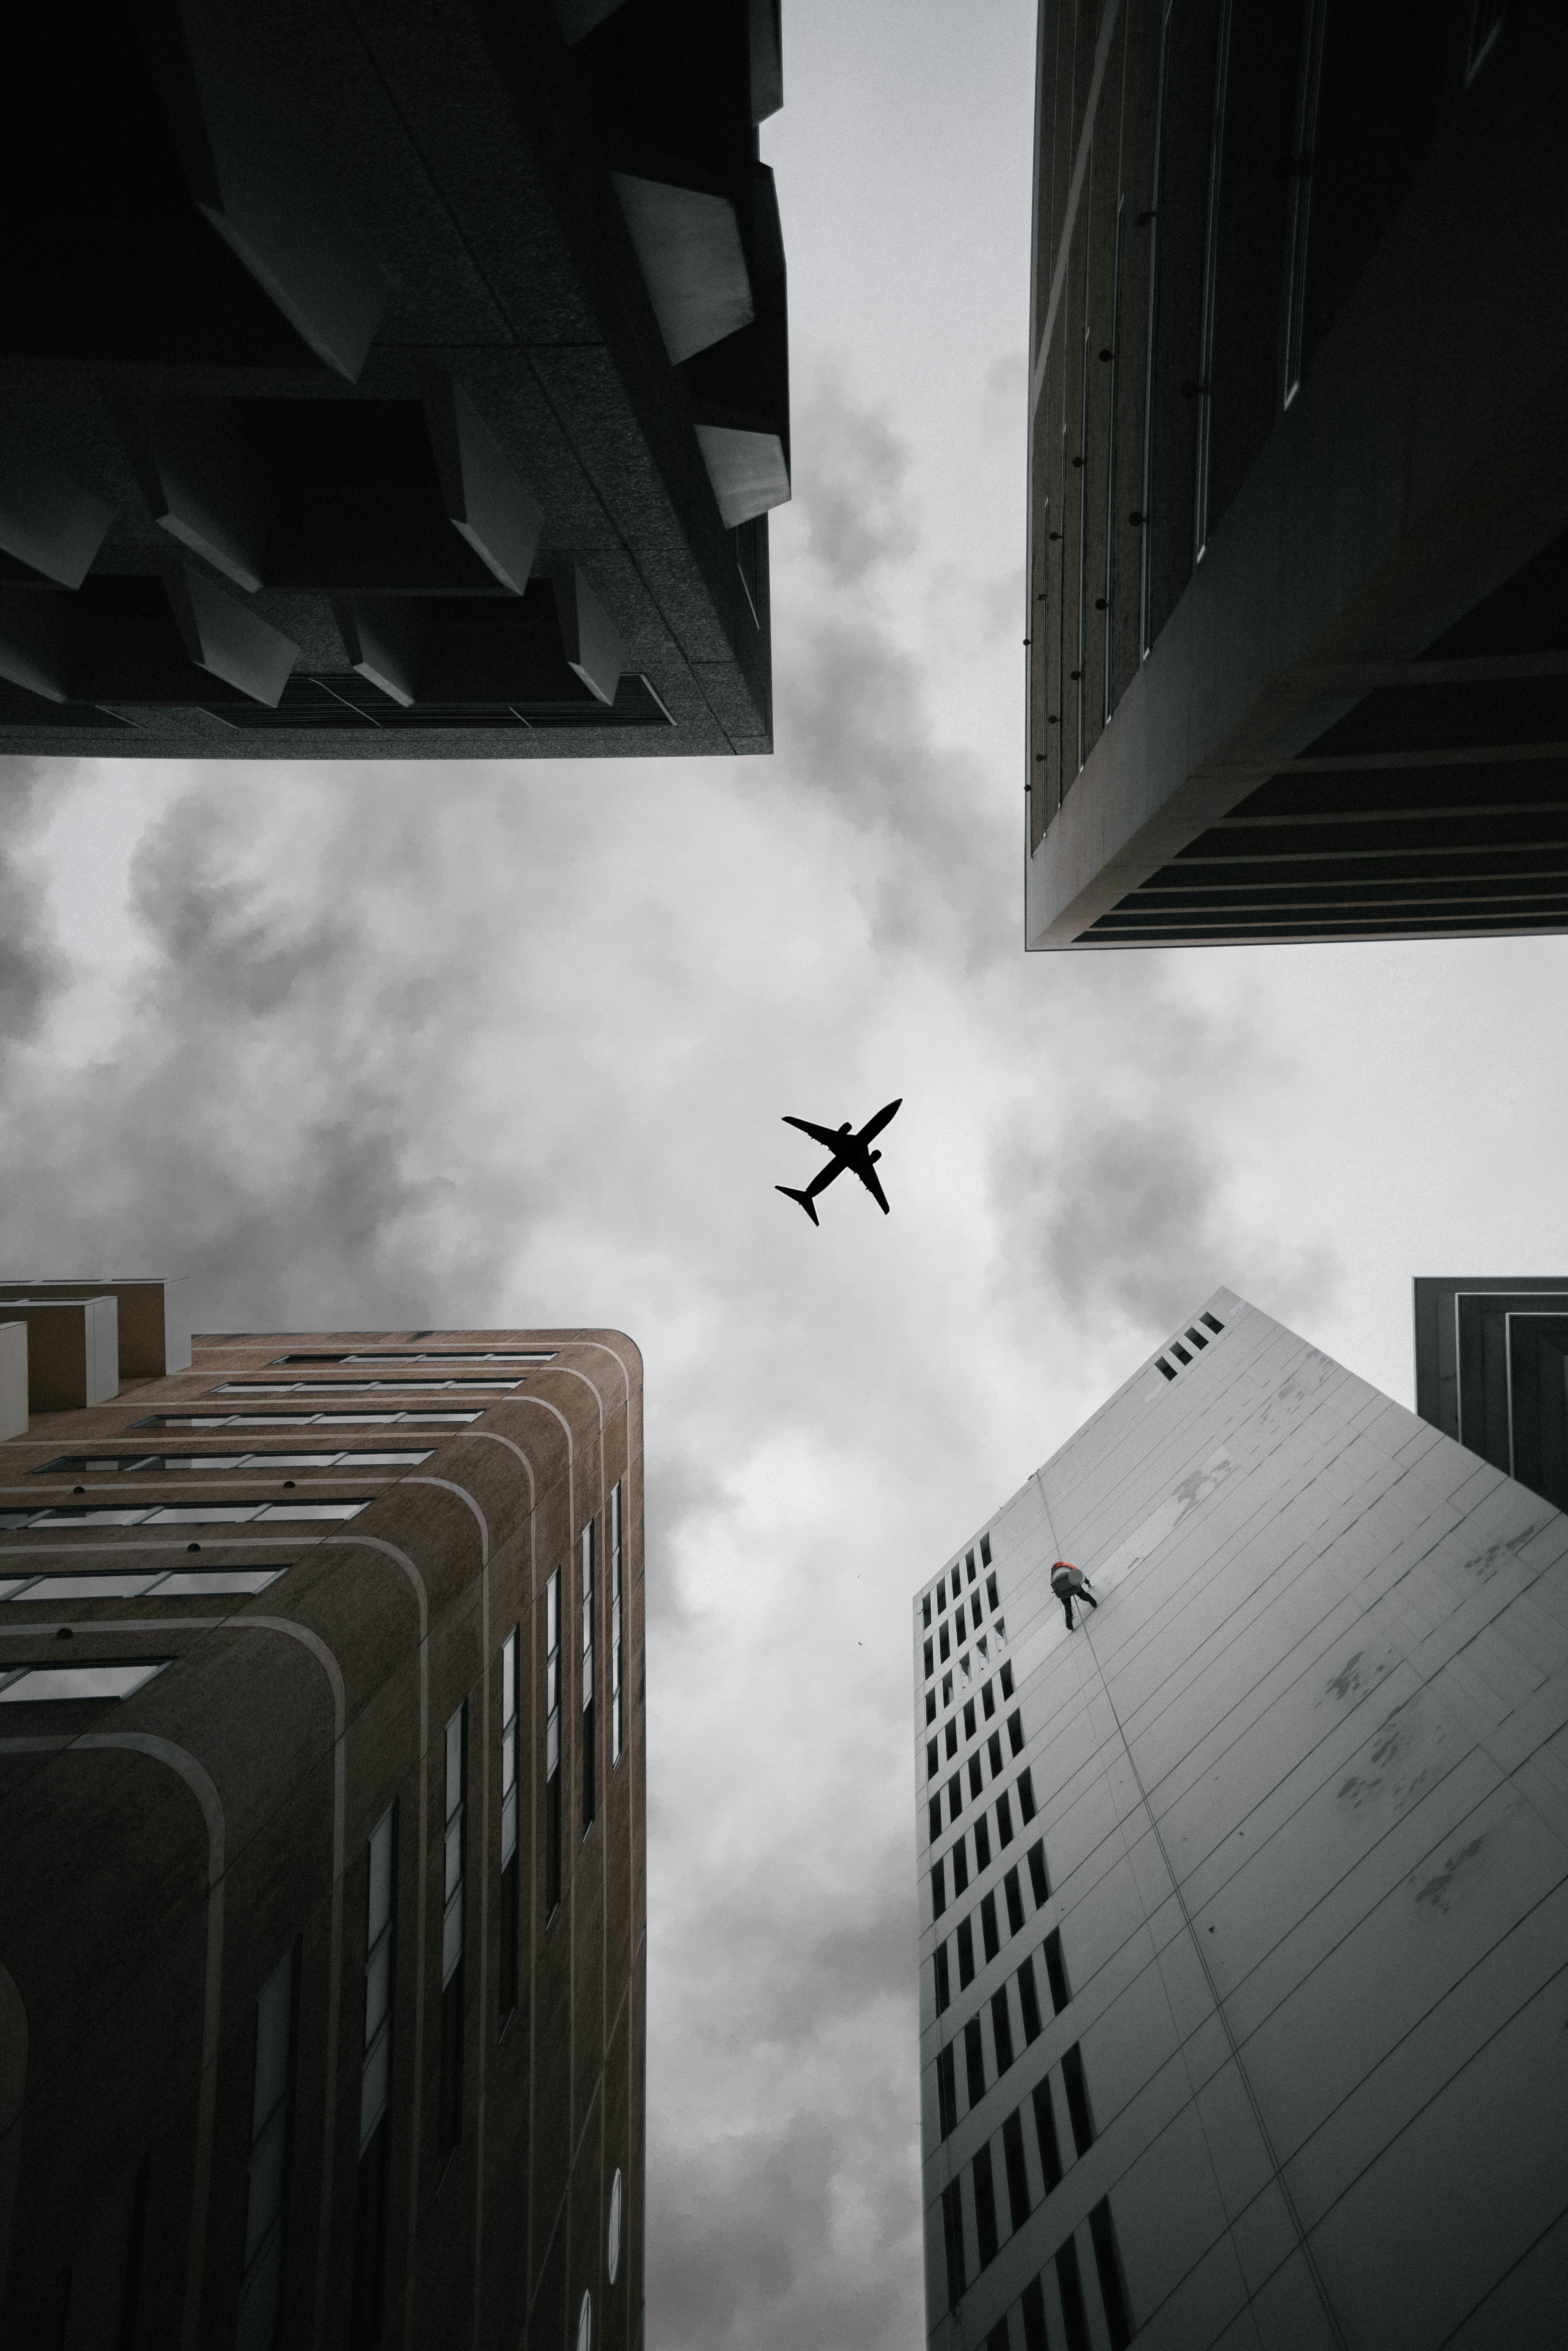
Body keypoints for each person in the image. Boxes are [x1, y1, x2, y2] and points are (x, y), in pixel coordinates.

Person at [1050, 1560, 1098, 1631]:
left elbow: (1055, 1588)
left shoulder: (1053, 1576)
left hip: (1063, 1592)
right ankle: (1087, 1597)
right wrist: (1087, 1582)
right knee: (1082, 1594)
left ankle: (1068, 1616)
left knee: (1068, 1606)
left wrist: (1060, 1595)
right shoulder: (1066, 1565)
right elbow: (1079, 1574)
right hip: (1074, 1586)